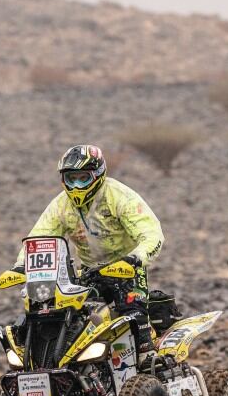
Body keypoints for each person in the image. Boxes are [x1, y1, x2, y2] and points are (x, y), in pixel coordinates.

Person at [14, 144, 164, 351]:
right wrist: (22, 265)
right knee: (60, 317)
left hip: (126, 269)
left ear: (98, 174)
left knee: (134, 318)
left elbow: (151, 233)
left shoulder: (119, 196)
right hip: (88, 271)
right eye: (70, 179)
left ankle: (150, 360)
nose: (75, 186)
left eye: (82, 178)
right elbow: (39, 236)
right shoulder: (61, 205)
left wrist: (136, 257)